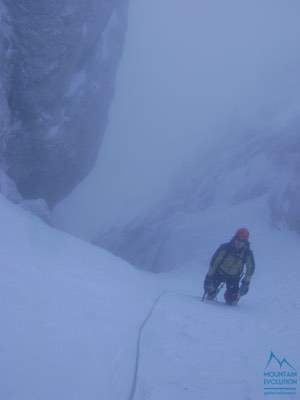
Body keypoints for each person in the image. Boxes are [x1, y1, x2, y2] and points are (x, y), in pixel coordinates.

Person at [203, 228, 255, 305]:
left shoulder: (247, 253)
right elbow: (214, 262)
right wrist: (209, 277)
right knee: (210, 290)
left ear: (245, 242)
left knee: (231, 300)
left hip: (234, 278)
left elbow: (250, 268)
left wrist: (245, 283)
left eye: (242, 241)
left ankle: (233, 298)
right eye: (238, 239)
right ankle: (211, 295)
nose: (239, 242)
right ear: (234, 238)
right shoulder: (225, 248)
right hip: (219, 273)